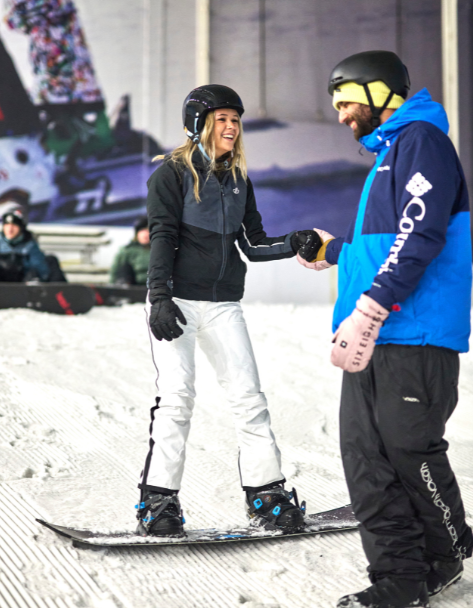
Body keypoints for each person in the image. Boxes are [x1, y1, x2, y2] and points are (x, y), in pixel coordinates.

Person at [296, 51, 473, 608]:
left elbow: (419, 235)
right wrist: (335, 252)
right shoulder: (392, 154)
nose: (343, 114)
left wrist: (371, 307)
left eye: (348, 101)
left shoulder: (421, 140)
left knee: (407, 449)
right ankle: (398, 579)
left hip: (413, 334)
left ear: (380, 92)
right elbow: (385, 246)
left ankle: (444, 552)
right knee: (365, 460)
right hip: (374, 334)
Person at [135, 84, 323, 537]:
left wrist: (292, 242)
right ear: (198, 124)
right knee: (177, 399)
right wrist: (158, 296)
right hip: (177, 300)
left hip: (222, 305)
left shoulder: (239, 181)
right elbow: (161, 236)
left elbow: (254, 246)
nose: (231, 126)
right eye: (221, 118)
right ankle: (157, 503)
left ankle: (266, 496)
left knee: (249, 398)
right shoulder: (172, 175)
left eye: (235, 119)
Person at [0, 208, 66, 282]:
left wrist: (22, 265)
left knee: (51, 260)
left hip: (22, 288)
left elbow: (43, 272)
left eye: (14, 225)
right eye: (7, 225)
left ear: (21, 228)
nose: (10, 229)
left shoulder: (30, 246)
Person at [109, 216, 150, 285]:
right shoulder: (127, 251)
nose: (145, 234)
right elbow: (115, 273)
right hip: (133, 288)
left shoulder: (160, 251)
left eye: (148, 230)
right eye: (142, 230)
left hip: (154, 287)